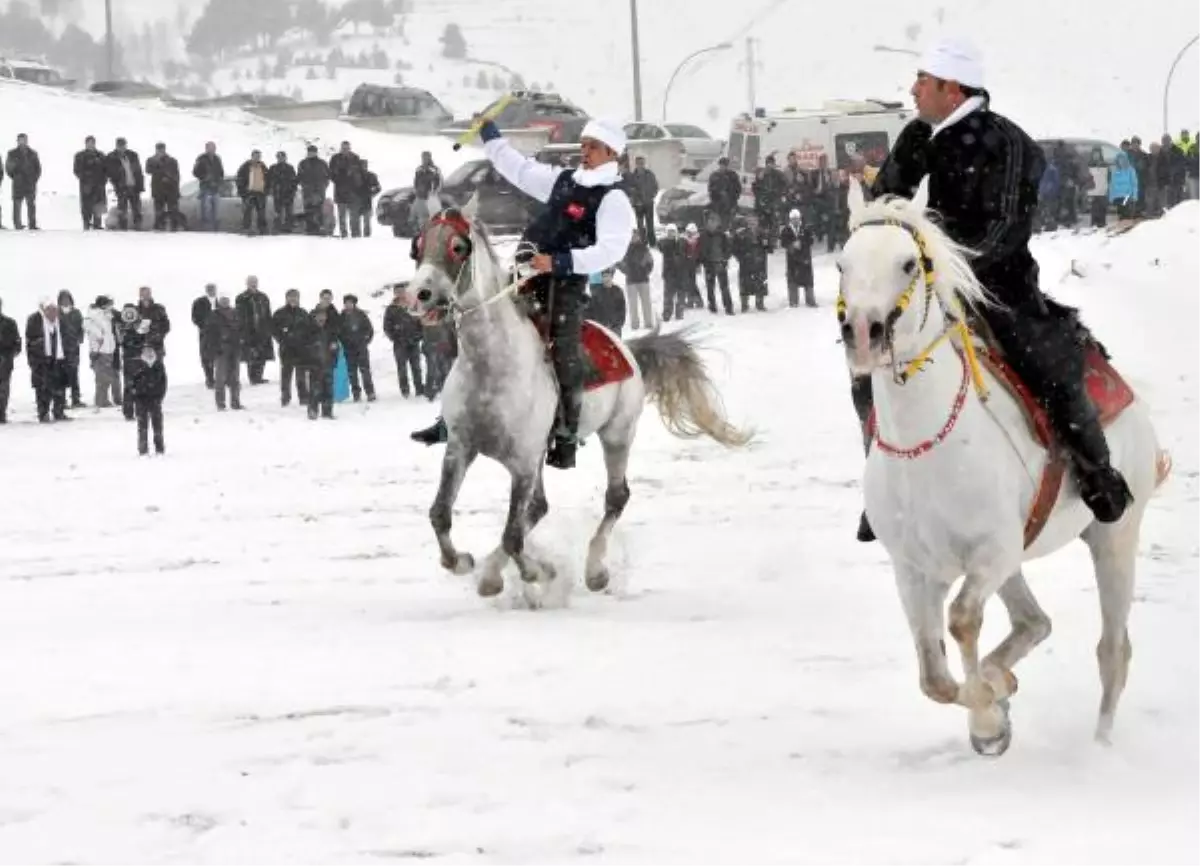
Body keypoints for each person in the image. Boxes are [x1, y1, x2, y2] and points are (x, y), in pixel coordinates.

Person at [851, 36, 1133, 542]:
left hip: (999, 287)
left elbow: (1005, 230)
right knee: (866, 363)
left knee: (1049, 362)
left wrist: (951, 267)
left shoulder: (1008, 142)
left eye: (923, 80)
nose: (913, 89)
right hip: (933, 285)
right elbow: (886, 204)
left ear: (951, 88)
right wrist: (904, 157)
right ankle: (884, 485)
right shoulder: (927, 133)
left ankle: (1098, 474)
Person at [410, 116, 636, 469]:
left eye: (593, 147)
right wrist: (491, 135)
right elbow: (519, 169)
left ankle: (565, 434)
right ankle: (451, 419)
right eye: (583, 145)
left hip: (565, 286)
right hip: (524, 276)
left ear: (613, 153)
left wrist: (559, 262)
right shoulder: (564, 181)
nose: (584, 152)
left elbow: (611, 251)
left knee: (564, 351)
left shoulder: (613, 199)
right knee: (476, 328)